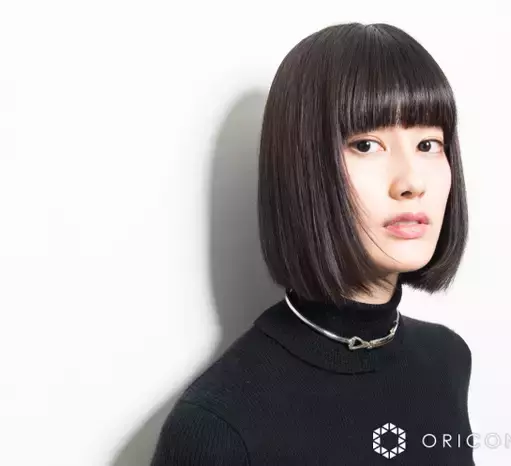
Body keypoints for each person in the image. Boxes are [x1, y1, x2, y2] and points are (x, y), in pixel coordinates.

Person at [150, 21, 474, 465]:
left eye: (428, 144)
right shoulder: (218, 426)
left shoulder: (447, 361)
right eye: (366, 145)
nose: (411, 182)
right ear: (304, 168)